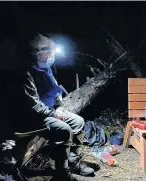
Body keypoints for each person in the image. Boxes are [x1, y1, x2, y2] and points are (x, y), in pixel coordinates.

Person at [14, 34, 94, 180]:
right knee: (63, 129)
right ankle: (61, 173)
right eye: (49, 52)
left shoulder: (47, 68)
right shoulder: (26, 73)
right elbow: (33, 105)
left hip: (50, 111)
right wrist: (52, 113)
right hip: (34, 118)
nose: (52, 55)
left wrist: (58, 107)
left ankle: (73, 160)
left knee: (78, 122)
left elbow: (56, 90)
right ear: (38, 54)